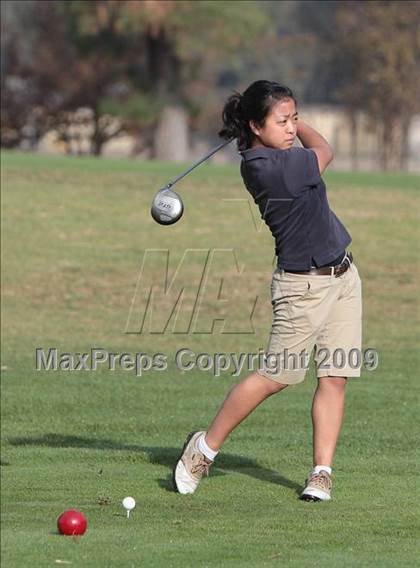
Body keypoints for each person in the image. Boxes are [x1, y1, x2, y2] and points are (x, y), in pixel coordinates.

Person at [172, 80, 362, 502]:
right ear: (256, 127)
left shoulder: (282, 152)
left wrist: (287, 119)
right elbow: (326, 150)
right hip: (303, 286)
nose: (293, 128)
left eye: (295, 118)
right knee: (276, 376)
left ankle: (321, 473)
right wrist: (300, 125)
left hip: (344, 277)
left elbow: (307, 144)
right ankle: (203, 450)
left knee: (335, 376)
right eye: (283, 121)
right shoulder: (266, 167)